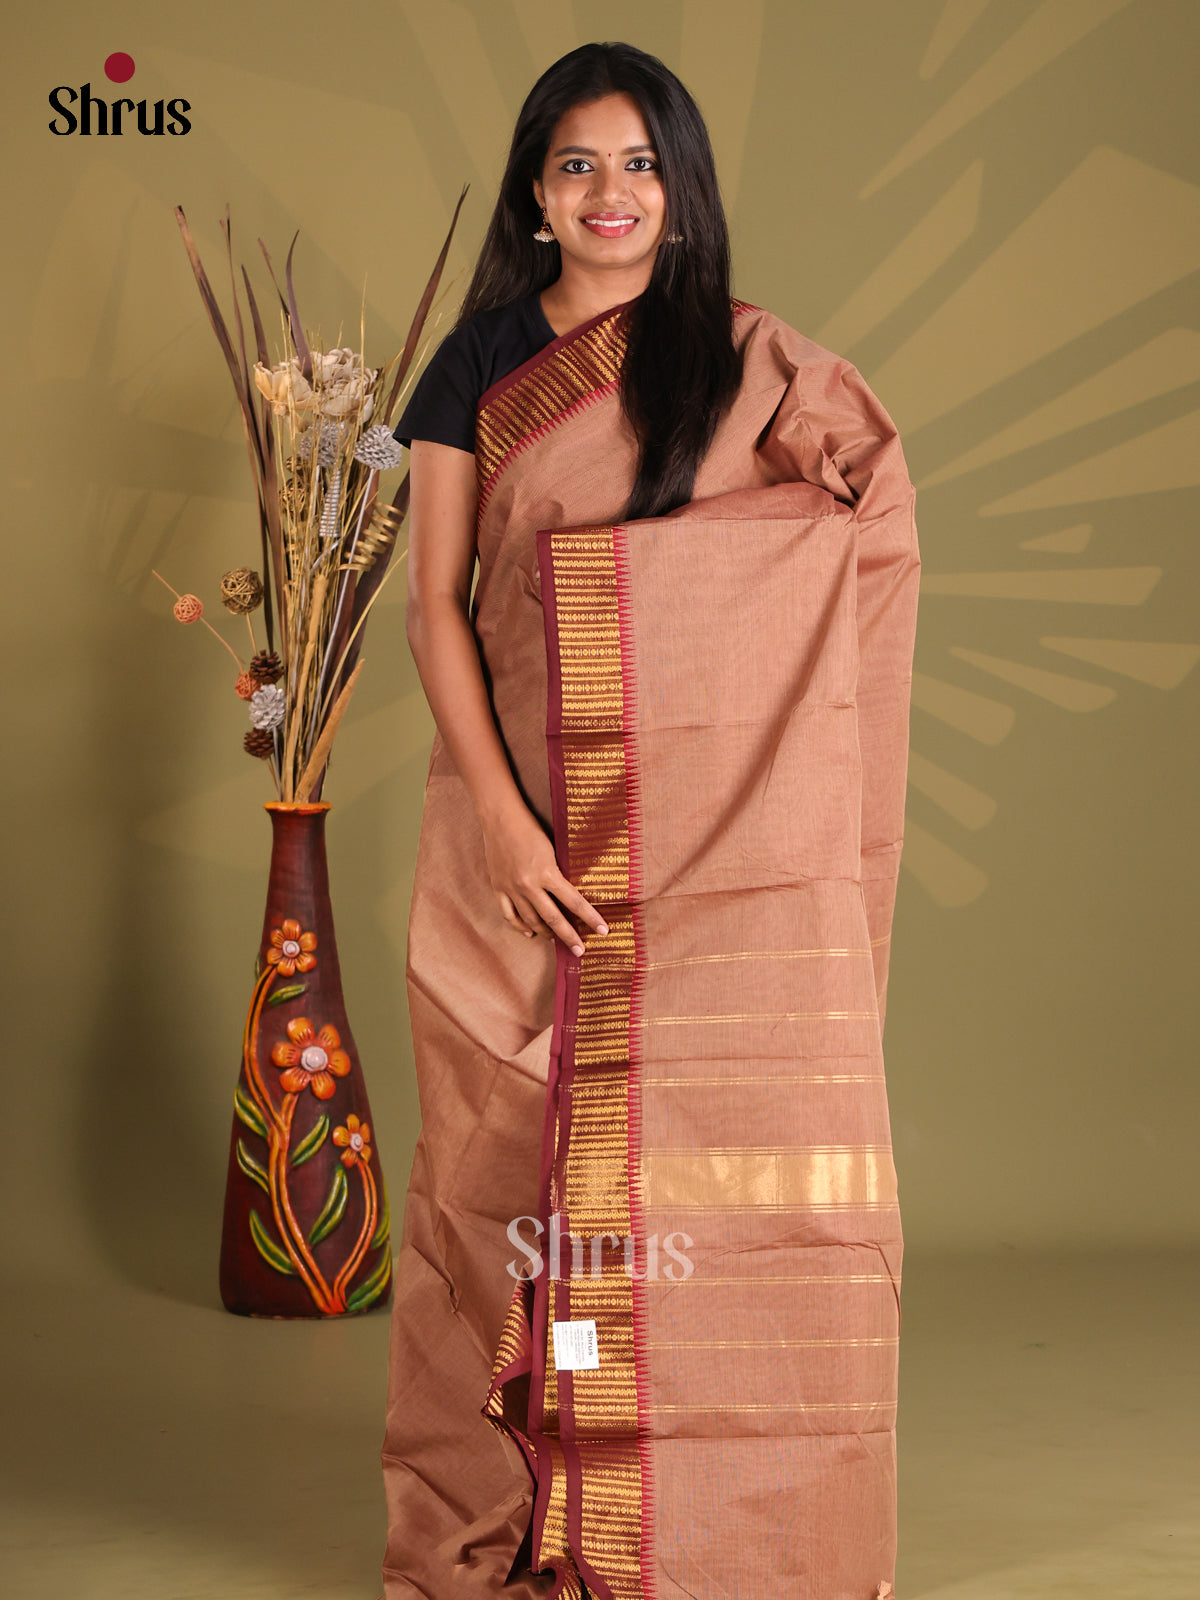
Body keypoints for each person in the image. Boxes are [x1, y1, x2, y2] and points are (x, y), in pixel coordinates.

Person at [381, 40, 918, 1600]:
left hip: (707, 852)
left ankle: (709, 1533)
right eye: (577, 166)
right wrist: (505, 824)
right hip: (516, 829)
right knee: (500, 1180)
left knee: (693, 1170)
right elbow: (434, 608)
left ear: (682, 192)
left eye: (640, 164)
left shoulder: (752, 363)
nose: (609, 194)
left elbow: (867, 514)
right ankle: (518, 1518)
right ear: (534, 194)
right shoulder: (478, 364)